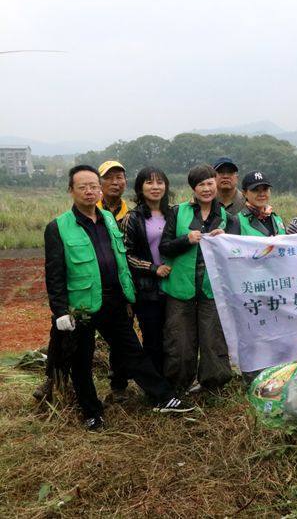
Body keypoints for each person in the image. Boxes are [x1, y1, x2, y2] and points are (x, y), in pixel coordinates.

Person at [44, 165, 193, 430]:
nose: (89, 191)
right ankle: (92, 412)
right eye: (83, 187)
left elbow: (121, 260)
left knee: (133, 352)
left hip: (113, 299)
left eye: (93, 186)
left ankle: (163, 397)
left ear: (99, 189)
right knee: (82, 360)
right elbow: (54, 274)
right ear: (71, 191)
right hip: (82, 306)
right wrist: (60, 312)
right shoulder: (58, 227)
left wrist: (128, 296)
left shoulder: (109, 220)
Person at [159, 164, 239, 394]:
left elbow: (236, 254)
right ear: (193, 188)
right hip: (181, 287)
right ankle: (178, 384)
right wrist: (186, 239)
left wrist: (225, 240)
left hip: (213, 288)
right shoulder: (178, 212)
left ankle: (212, 385)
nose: (206, 189)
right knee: (179, 339)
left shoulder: (228, 218)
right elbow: (165, 247)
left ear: (216, 183)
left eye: (209, 183)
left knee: (213, 338)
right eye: (200, 184)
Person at [122, 167, 172, 373]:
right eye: (149, 182)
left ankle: (173, 379)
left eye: (160, 182)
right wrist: (152, 268)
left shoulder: (175, 213)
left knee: (173, 336)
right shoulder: (132, 218)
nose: (155, 187)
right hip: (147, 290)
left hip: (174, 286)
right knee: (152, 338)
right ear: (140, 188)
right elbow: (126, 255)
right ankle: (157, 387)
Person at [98, 159, 132, 400]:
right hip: (97, 285)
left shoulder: (130, 214)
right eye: (109, 177)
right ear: (99, 182)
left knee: (123, 334)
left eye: (119, 177)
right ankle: (55, 380)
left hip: (126, 285)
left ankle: (118, 384)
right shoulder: (91, 211)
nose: (115, 182)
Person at [237, 171, 286, 236]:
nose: (262, 194)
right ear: (244, 193)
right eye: (255, 190)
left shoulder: (277, 220)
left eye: (265, 189)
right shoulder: (237, 221)